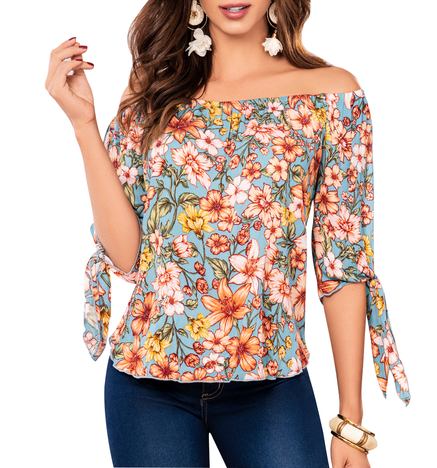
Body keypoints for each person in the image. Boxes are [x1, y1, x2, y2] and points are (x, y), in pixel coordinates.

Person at [45, 1, 411, 467]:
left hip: (271, 382)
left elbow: (343, 263)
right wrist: (84, 126)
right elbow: (127, 256)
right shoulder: (154, 92)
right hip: (147, 381)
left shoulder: (331, 96)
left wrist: (350, 424)